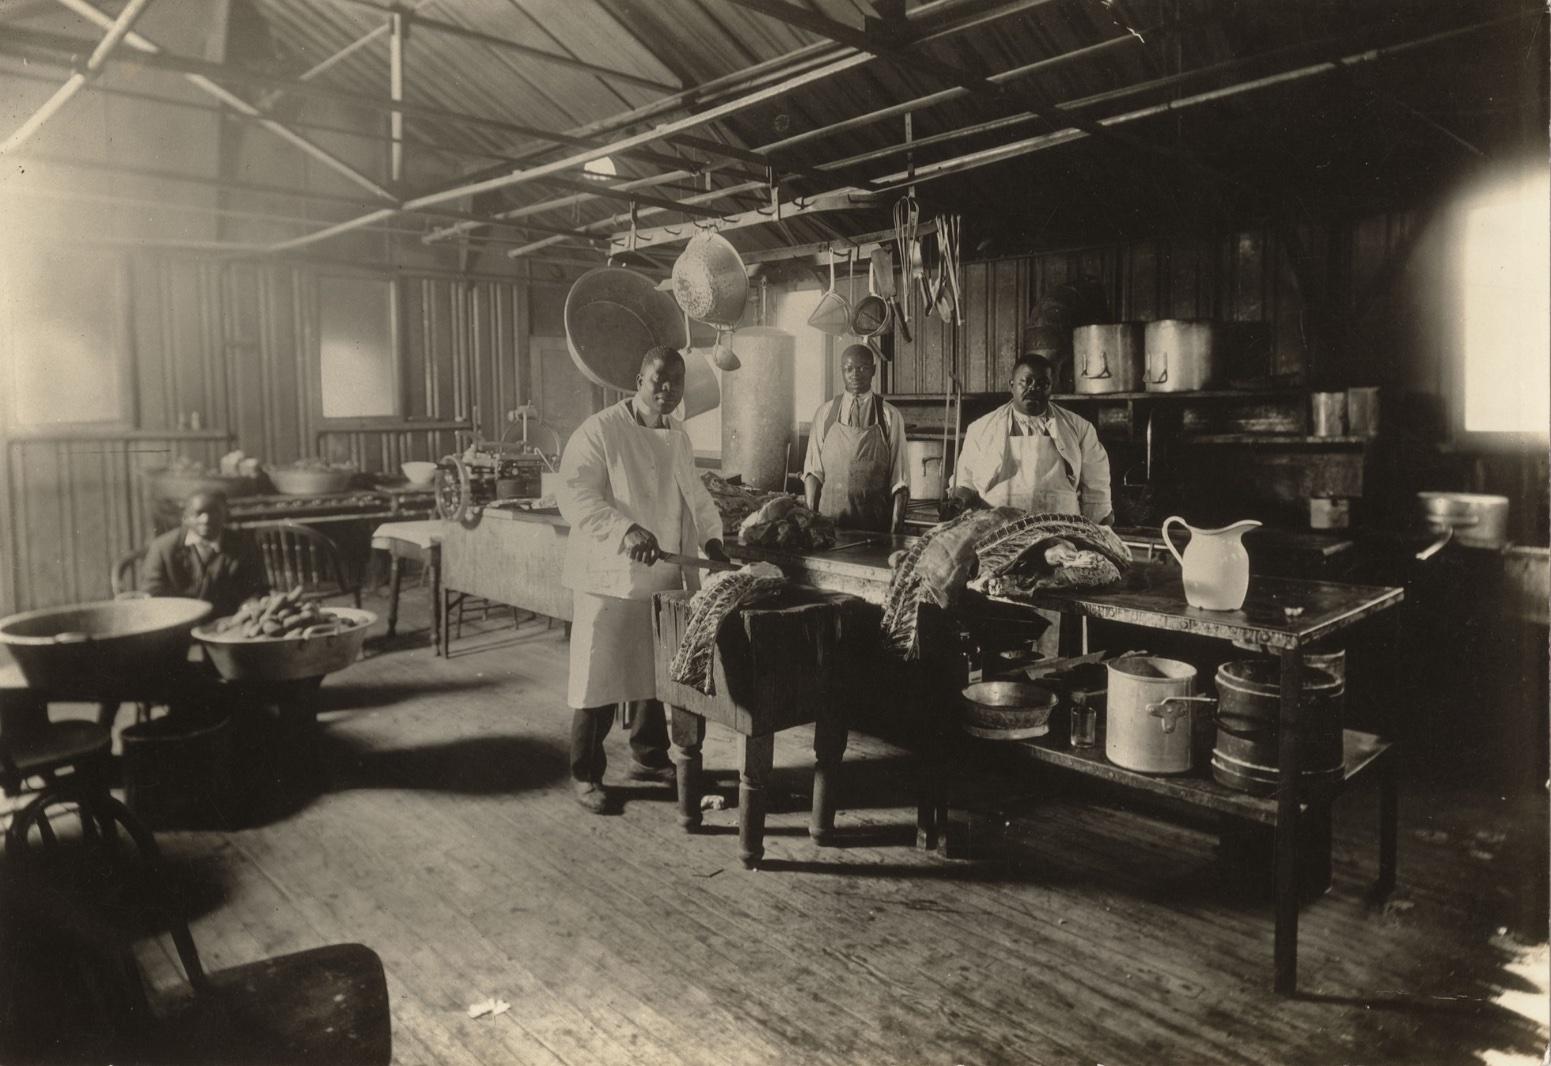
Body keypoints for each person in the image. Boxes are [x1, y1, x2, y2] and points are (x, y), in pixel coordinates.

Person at [557, 346, 727, 814]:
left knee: (655, 672)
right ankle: (585, 772)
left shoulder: (678, 435)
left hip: (663, 571)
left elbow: (696, 494)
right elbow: (573, 494)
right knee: (598, 675)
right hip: (607, 574)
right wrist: (623, 529)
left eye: (675, 381)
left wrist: (712, 541)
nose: (667, 390)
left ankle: (650, 756)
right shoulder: (601, 429)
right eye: (658, 380)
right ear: (638, 377)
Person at [942, 354, 1113, 524]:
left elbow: (1097, 487)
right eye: (1026, 381)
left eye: (1042, 384)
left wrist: (1099, 527)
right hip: (998, 530)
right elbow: (965, 481)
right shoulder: (980, 429)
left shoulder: (1080, 428)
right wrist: (957, 502)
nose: (1034, 388)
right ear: (1012, 385)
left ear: (1051, 388)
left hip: (1060, 529)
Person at [802, 343, 910, 533]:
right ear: (841, 371)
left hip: (875, 528)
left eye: (863, 368)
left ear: (874, 370)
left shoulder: (890, 416)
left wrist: (895, 534)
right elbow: (813, 472)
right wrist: (812, 520)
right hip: (830, 525)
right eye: (848, 369)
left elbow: (899, 481)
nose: (855, 374)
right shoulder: (825, 414)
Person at [140, 490, 269, 618]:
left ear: (226, 514)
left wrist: (250, 605)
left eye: (214, 513)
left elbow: (255, 589)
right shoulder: (163, 547)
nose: (206, 519)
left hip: (227, 623)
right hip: (177, 623)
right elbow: (152, 592)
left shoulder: (242, 546)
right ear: (185, 517)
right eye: (198, 513)